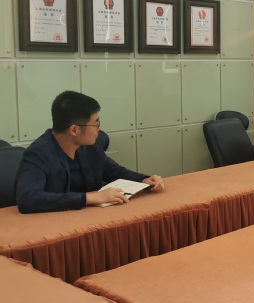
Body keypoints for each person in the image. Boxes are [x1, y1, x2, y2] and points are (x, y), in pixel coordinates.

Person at [15, 91, 164, 214]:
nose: (99, 129)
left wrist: (144, 180)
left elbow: (114, 171)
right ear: (74, 130)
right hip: (55, 225)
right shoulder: (38, 154)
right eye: (95, 124)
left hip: (91, 218)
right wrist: (90, 198)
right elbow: (28, 199)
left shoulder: (90, 146)